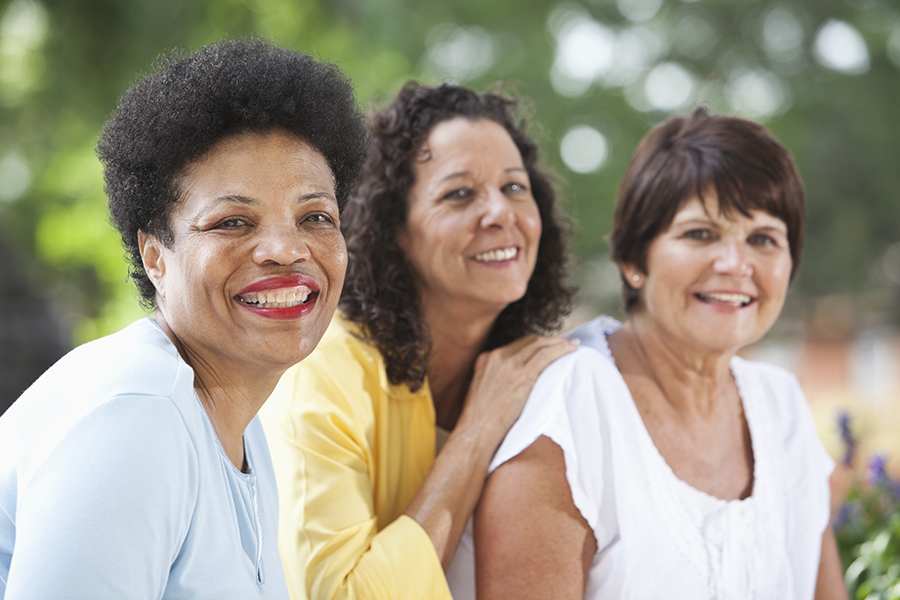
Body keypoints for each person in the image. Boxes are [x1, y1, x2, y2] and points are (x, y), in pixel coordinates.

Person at [0, 39, 366, 599]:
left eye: (315, 216)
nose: (285, 249)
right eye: (232, 223)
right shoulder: (140, 414)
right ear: (154, 255)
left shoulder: (242, 433)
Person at [471, 108, 848, 599]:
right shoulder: (571, 402)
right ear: (633, 259)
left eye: (763, 239)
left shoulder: (781, 404)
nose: (735, 264)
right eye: (700, 234)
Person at [260, 82, 578, 600]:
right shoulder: (321, 373)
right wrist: (477, 432)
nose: (500, 212)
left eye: (515, 187)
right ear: (394, 229)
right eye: (459, 194)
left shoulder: (540, 368)